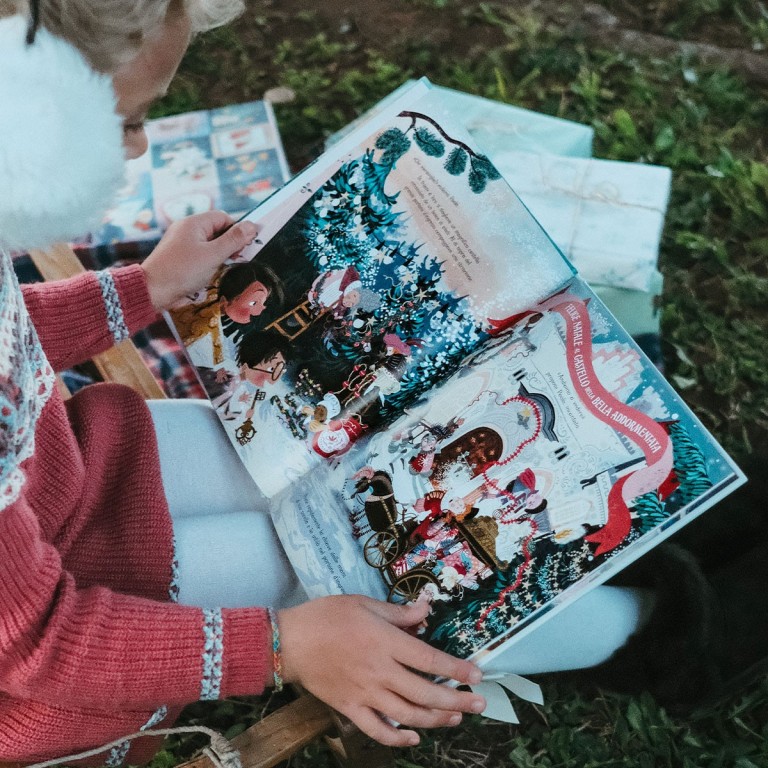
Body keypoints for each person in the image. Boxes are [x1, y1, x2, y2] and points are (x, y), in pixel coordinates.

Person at [0, 0, 488, 763]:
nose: (138, 147)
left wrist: (146, 287)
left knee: (300, 477)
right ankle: (651, 622)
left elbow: (6, 328)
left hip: (62, 487)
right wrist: (284, 647)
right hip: (44, 663)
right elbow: (38, 645)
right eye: (128, 120)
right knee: (350, 573)